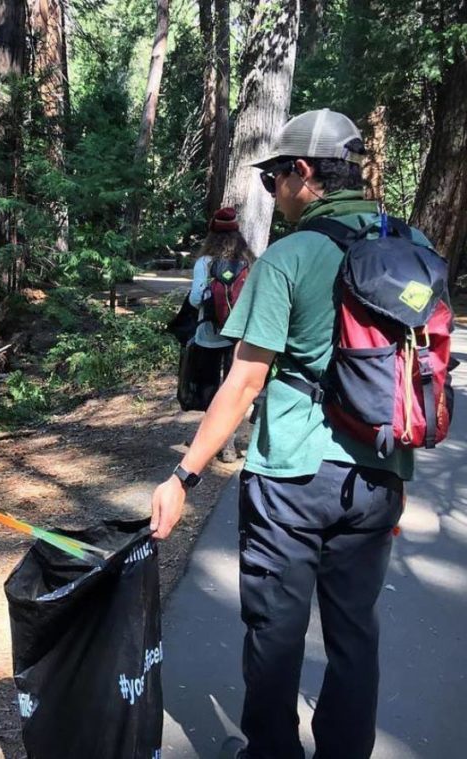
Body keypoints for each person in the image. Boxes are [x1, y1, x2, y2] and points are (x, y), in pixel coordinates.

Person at [149, 109, 429, 759]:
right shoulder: (411, 246)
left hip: (293, 475)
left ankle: (271, 752)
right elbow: (417, 361)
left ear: (303, 172)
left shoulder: (291, 254)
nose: (273, 190)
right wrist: (399, 469)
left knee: (275, 629)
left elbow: (243, 381)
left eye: (275, 176)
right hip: (381, 470)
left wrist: (184, 474)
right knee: (354, 633)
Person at [187, 207, 255, 462]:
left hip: (209, 334)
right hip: (238, 335)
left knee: (210, 388)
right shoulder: (248, 260)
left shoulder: (205, 263)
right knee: (233, 387)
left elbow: (195, 299)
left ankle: (214, 441)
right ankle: (230, 442)